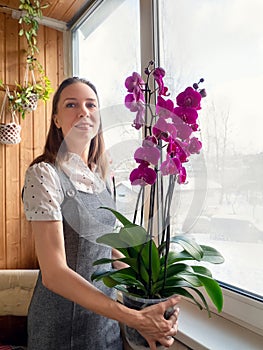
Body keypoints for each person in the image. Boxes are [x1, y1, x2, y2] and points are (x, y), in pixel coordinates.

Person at [22, 77, 180, 350]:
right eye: (71, 104)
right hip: (58, 330)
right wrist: (135, 317)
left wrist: (151, 296)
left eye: (91, 105)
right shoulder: (44, 174)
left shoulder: (102, 177)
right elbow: (54, 273)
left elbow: (109, 250)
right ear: (57, 119)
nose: (83, 111)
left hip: (104, 328)